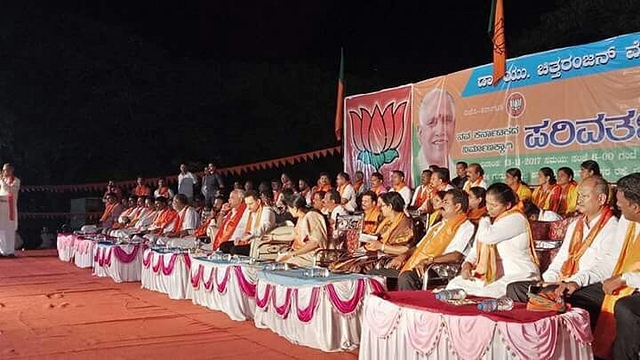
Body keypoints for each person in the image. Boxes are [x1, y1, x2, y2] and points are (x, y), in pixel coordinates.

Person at [553, 173, 640, 358]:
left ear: (635, 207)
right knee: (569, 298)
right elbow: (610, 261)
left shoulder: (617, 221)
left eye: (620, 203)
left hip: (633, 285)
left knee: (625, 309)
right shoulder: (627, 220)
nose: (616, 206)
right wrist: (576, 282)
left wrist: (625, 278)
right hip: (623, 282)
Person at [506, 176, 618, 302]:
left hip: (585, 286)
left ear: (601, 199)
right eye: (579, 195)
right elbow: (561, 257)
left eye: (584, 196)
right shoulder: (575, 224)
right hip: (561, 282)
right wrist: (548, 280)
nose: (579, 200)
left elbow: (603, 268)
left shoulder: (613, 228)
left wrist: (574, 282)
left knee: (557, 298)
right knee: (515, 288)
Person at [445, 183, 540, 298]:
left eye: (494, 205)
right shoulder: (490, 222)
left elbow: (486, 237)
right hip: (492, 275)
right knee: (454, 284)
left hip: (519, 274)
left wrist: (484, 218)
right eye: (487, 203)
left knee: (486, 293)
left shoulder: (516, 218)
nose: (488, 208)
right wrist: (467, 265)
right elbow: (475, 250)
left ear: (508, 205)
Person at [393, 189, 475, 290]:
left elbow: (456, 256)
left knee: (407, 277)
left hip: (441, 268)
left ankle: (409, 305)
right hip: (422, 264)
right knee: (381, 272)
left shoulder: (466, 226)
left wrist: (429, 261)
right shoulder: (437, 226)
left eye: (446, 202)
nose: (441, 205)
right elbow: (418, 248)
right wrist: (403, 256)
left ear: (457, 206)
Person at [329, 192, 414, 274]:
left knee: (355, 266)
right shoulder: (387, 221)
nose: (380, 208)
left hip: (390, 256)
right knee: (343, 261)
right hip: (377, 251)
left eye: (383, 205)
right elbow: (381, 237)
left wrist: (382, 246)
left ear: (390, 206)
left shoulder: (405, 223)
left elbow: (406, 249)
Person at [266, 195, 328, 267]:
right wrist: (273, 237)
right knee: (279, 260)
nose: (289, 211)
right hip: (302, 253)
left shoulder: (312, 216)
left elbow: (315, 243)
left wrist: (292, 254)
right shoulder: (301, 218)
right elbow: (295, 235)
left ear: (295, 208)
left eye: (289, 208)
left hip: (314, 255)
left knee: (284, 263)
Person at [222, 190, 275, 257]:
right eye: (247, 204)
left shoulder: (266, 210)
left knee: (235, 250)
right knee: (224, 246)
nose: (248, 207)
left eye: (250, 204)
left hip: (260, 243)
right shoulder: (251, 212)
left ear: (258, 202)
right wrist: (240, 238)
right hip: (250, 241)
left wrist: (249, 234)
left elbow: (265, 226)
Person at [415, 88, 457, 174]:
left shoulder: (456, 174)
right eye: (431, 122)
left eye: (447, 120)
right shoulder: (413, 172)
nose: (440, 130)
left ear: (454, 126)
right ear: (420, 133)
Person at [0, 163, 20, 257]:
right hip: (1, 208)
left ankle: (10, 251)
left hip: (9, 209)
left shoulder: (16, 181)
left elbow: (10, 191)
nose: (4, 172)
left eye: (6, 170)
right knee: (1, 230)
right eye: (3, 170)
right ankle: (2, 251)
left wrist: (2, 182)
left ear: (11, 170)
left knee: (9, 230)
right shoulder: (1, 181)